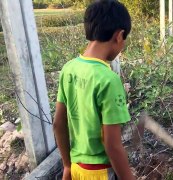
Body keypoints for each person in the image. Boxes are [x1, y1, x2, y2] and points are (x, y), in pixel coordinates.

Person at [53, 1, 135, 179]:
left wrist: (67, 165)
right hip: (100, 173)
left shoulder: (69, 68)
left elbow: (58, 123)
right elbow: (112, 145)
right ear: (119, 35)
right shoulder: (109, 80)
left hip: (76, 168)